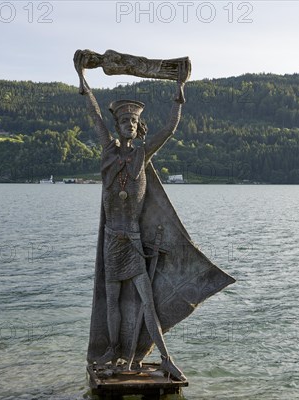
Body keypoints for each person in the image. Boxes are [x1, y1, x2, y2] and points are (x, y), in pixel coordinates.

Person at [74, 50, 186, 381]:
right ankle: (112, 350)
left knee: (147, 302)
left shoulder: (141, 157)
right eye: (124, 121)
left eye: (133, 122)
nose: (128, 126)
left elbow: (168, 130)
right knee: (112, 300)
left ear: (138, 129)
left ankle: (165, 356)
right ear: (118, 125)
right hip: (113, 241)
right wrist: (83, 82)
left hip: (134, 242)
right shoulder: (109, 152)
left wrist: (179, 95)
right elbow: (94, 116)